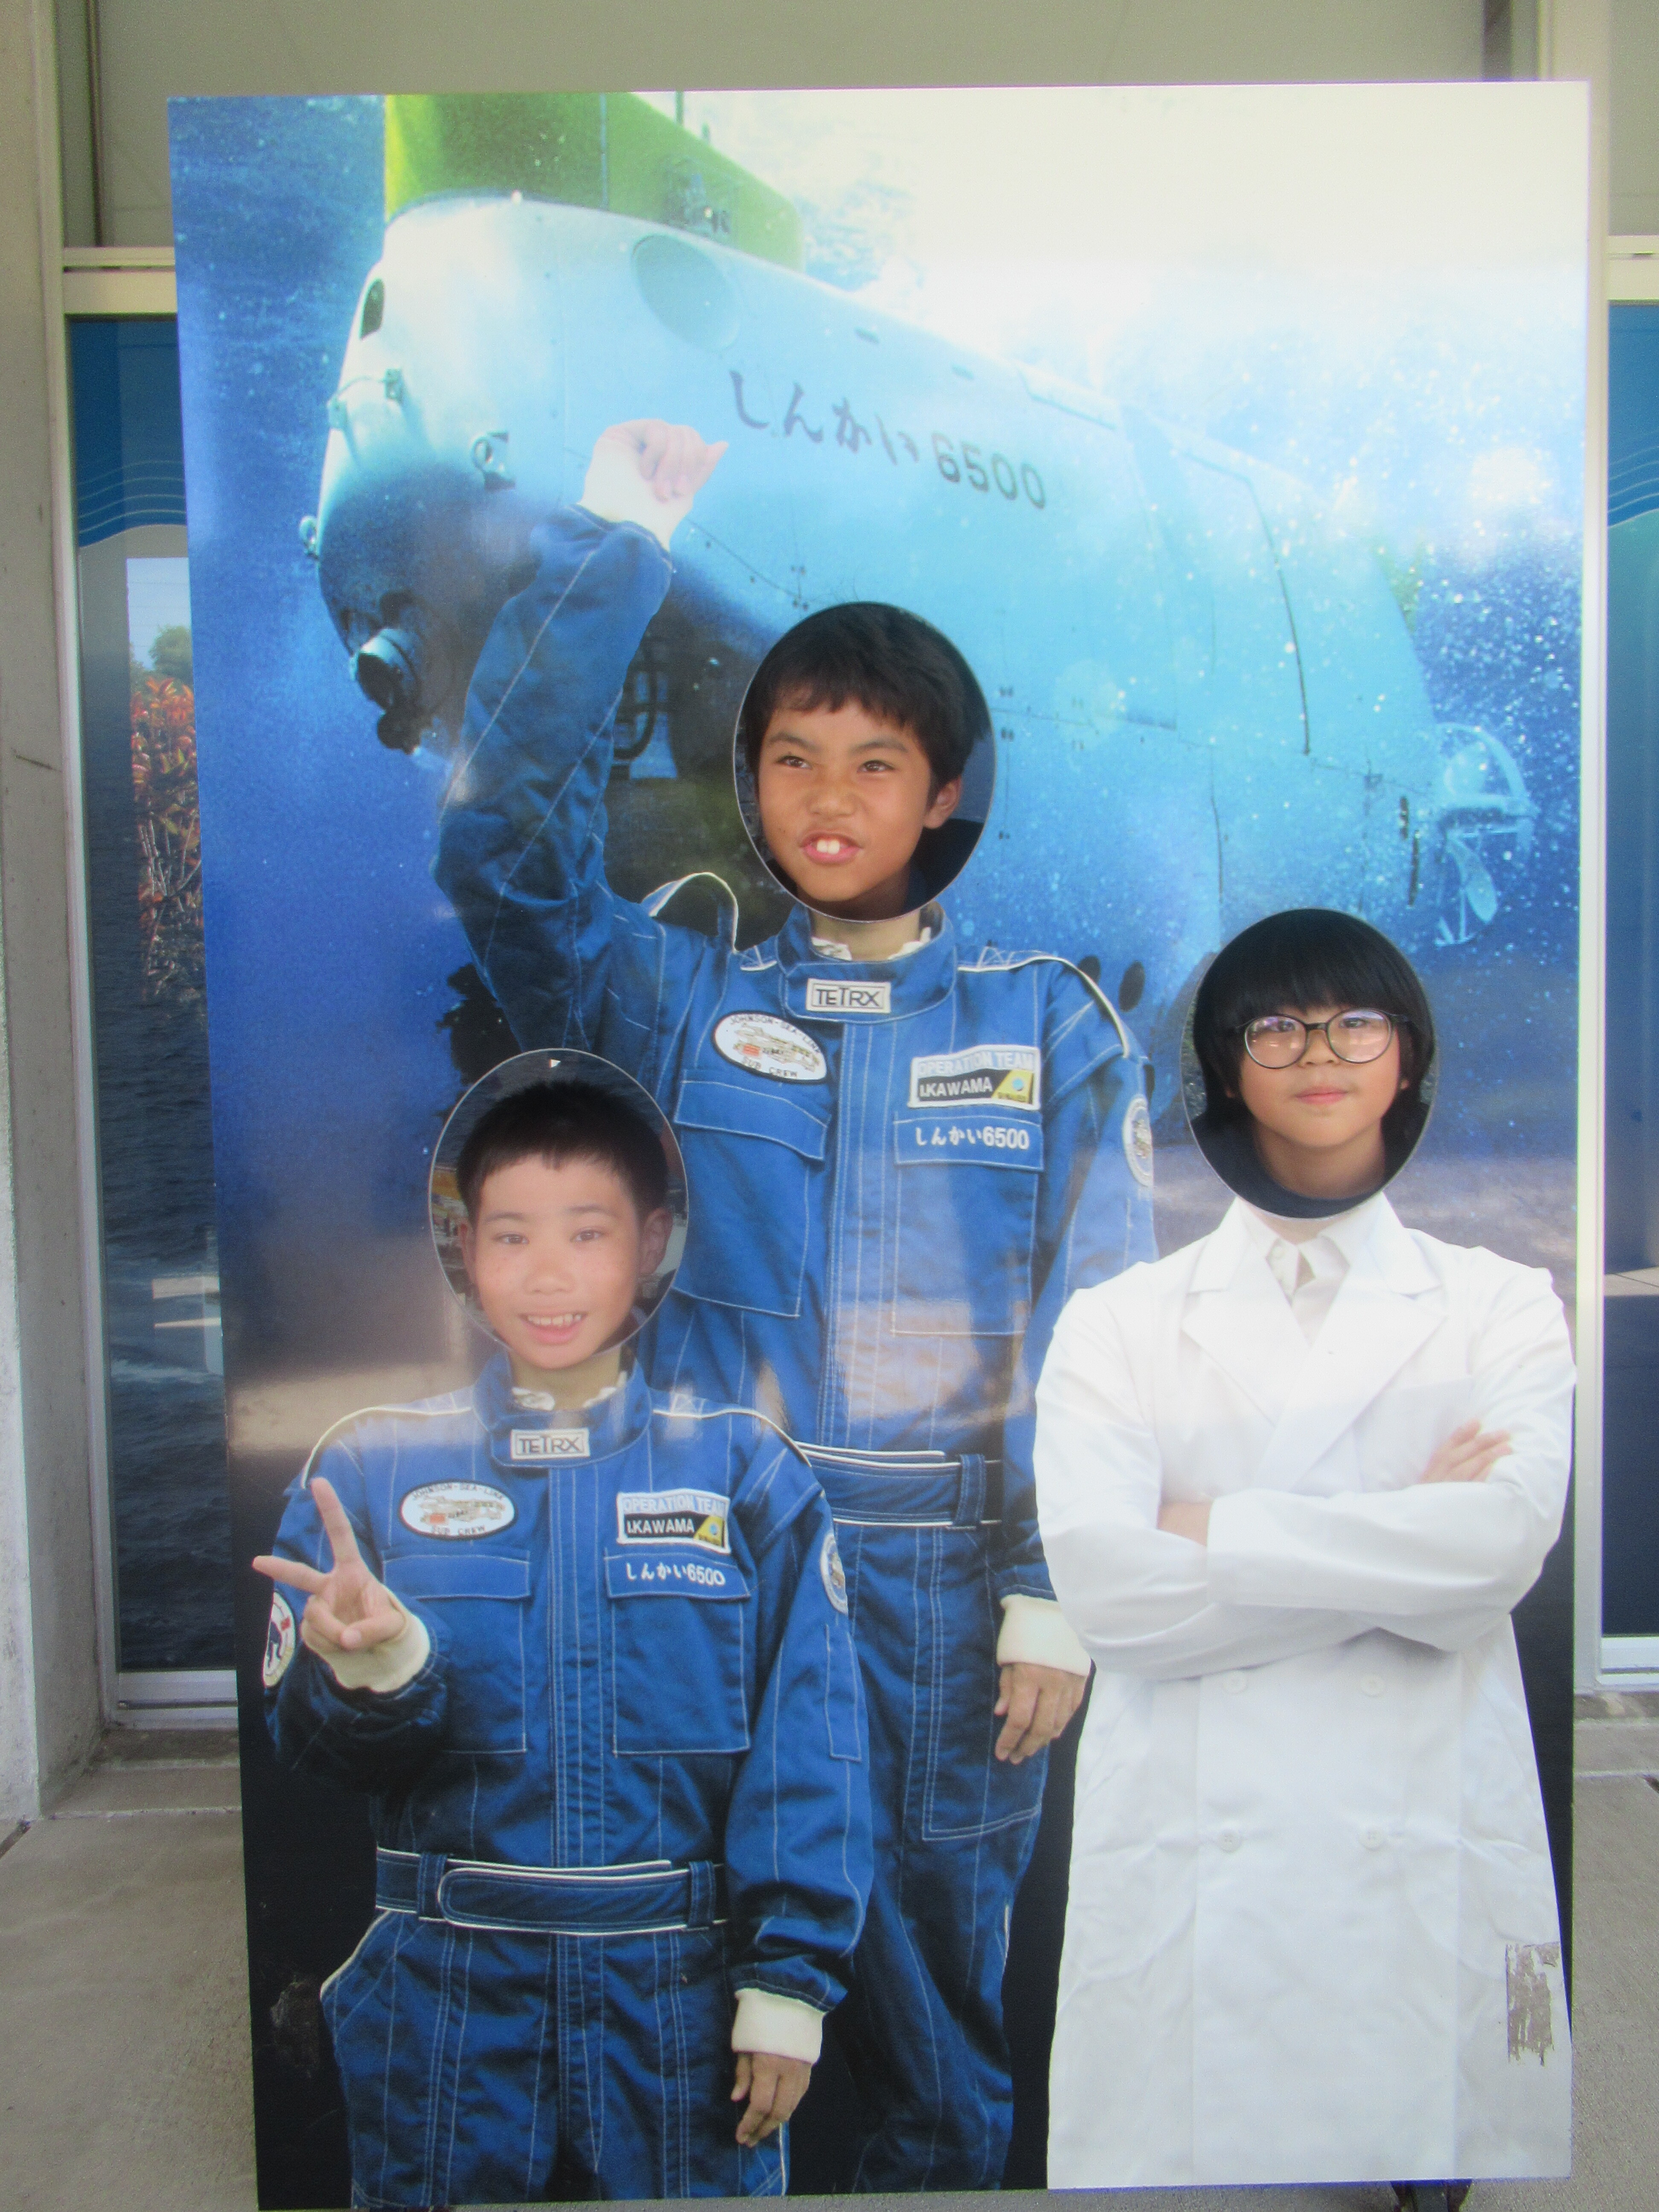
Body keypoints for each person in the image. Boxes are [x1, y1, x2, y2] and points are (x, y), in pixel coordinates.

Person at [431, 421, 1157, 2189]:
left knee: (926, 2021)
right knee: (690, 2003)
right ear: (751, 783)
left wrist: (1054, 1586)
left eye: (876, 762)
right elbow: (502, 850)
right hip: (705, 1557)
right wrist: (618, 548)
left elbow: (1107, 1329)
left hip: (940, 1591)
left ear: (945, 795)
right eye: (791, 758)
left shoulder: (1048, 1025)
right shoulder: (671, 1002)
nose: (829, 798)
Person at [255, 1076, 872, 2206]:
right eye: (512, 1236)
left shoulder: (746, 1471)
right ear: (464, 1251)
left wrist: (790, 1985)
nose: (548, 1276)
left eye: (587, 1234)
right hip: (446, 1992)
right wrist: (373, 1670)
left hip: (680, 1997)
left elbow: (813, 1748)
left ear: (650, 1243)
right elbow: (313, 1750)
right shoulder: (368, 1467)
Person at [1034, 908, 1573, 2198]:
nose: (1320, 1052)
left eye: (1355, 1022)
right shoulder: (1118, 1322)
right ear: (1226, 1069)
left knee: (1419, 2152)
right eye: (1277, 1027)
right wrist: (1406, 1547)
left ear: (1408, 1055)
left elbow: (1498, 1553)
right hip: (1200, 1876)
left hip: (1416, 1845)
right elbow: (1111, 1600)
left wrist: (1212, 1527)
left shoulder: (1501, 1302)